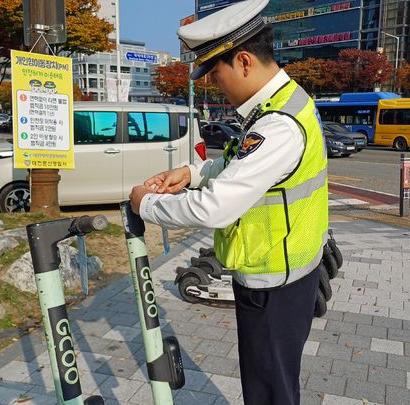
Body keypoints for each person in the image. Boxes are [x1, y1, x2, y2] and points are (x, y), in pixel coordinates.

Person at [129, 0, 328, 403]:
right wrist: (192, 172)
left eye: (217, 77)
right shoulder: (290, 102)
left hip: (272, 283)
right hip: (292, 268)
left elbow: (214, 207)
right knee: (276, 382)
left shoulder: (278, 126)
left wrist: (144, 205)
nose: (218, 87)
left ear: (243, 61)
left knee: (268, 390)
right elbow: (243, 161)